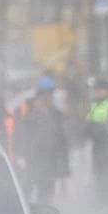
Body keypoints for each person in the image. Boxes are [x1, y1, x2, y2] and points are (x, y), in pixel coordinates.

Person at [14, 77, 69, 205]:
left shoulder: (56, 114)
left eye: (50, 93)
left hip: (50, 162)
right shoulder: (28, 113)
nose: (49, 97)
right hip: (32, 161)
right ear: (40, 94)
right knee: (26, 195)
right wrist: (20, 156)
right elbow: (20, 136)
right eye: (46, 93)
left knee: (46, 197)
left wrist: (64, 168)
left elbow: (62, 141)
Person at [85, 77, 108, 205]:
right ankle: (101, 199)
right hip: (97, 145)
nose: (98, 93)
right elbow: (88, 124)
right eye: (96, 90)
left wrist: (99, 127)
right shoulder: (94, 105)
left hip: (107, 145)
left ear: (107, 91)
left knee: (107, 173)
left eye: (101, 90)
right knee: (98, 173)